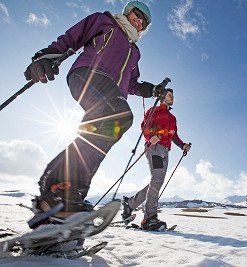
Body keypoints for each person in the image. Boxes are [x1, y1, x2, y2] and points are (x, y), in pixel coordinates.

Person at [24, 1, 165, 219]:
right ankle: (57, 188)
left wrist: (152, 89)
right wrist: (49, 55)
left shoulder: (134, 52)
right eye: (137, 15)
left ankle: (67, 199)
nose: (139, 22)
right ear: (128, 12)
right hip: (88, 74)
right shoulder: (105, 21)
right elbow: (73, 37)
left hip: (112, 92)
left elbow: (131, 83)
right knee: (120, 116)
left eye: (144, 22)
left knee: (98, 133)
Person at [122, 89, 191, 230]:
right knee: (157, 179)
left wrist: (183, 145)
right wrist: (150, 137)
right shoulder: (154, 110)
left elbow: (174, 136)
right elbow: (144, 126)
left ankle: (130, 203)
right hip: (154, 147)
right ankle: (149, 218)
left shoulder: (172, 118)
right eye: (169, 95)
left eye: (173, 95)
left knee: (156, 181)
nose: (172, 97)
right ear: (162, 97)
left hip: (165, 150)